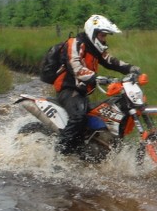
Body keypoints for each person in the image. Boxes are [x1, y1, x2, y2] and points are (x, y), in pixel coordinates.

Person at [53, 14, 140, 156]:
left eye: (105, 36)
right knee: (78, 117)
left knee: (109, 111)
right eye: (102, 35)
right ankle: (59, 155)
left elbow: (110, 61)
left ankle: (96, 148)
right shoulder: (75, 44)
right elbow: (76, 68)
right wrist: (99, 78)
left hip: (81, 92)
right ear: (93, 32)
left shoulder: (94, 48)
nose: (104, 39)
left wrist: (130, 68)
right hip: (68, 89)